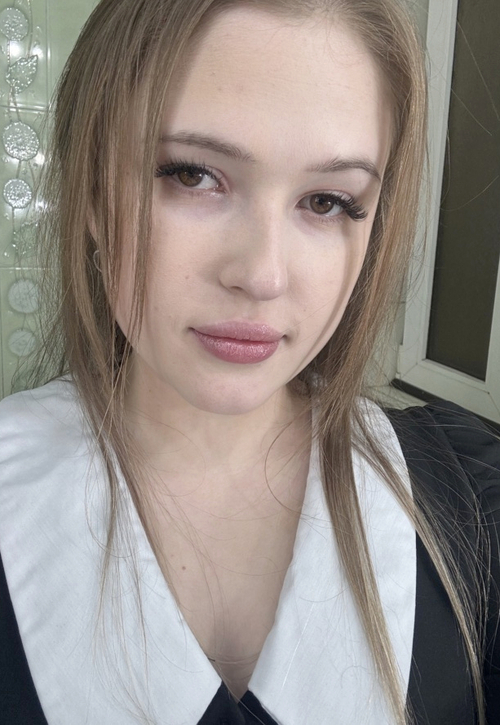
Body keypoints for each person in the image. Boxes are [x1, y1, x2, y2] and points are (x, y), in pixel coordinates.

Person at [0, 0, 499, 723]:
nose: (263, 276)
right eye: (192, 175)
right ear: (95, 195)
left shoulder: (470, 503)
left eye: (327, 201)